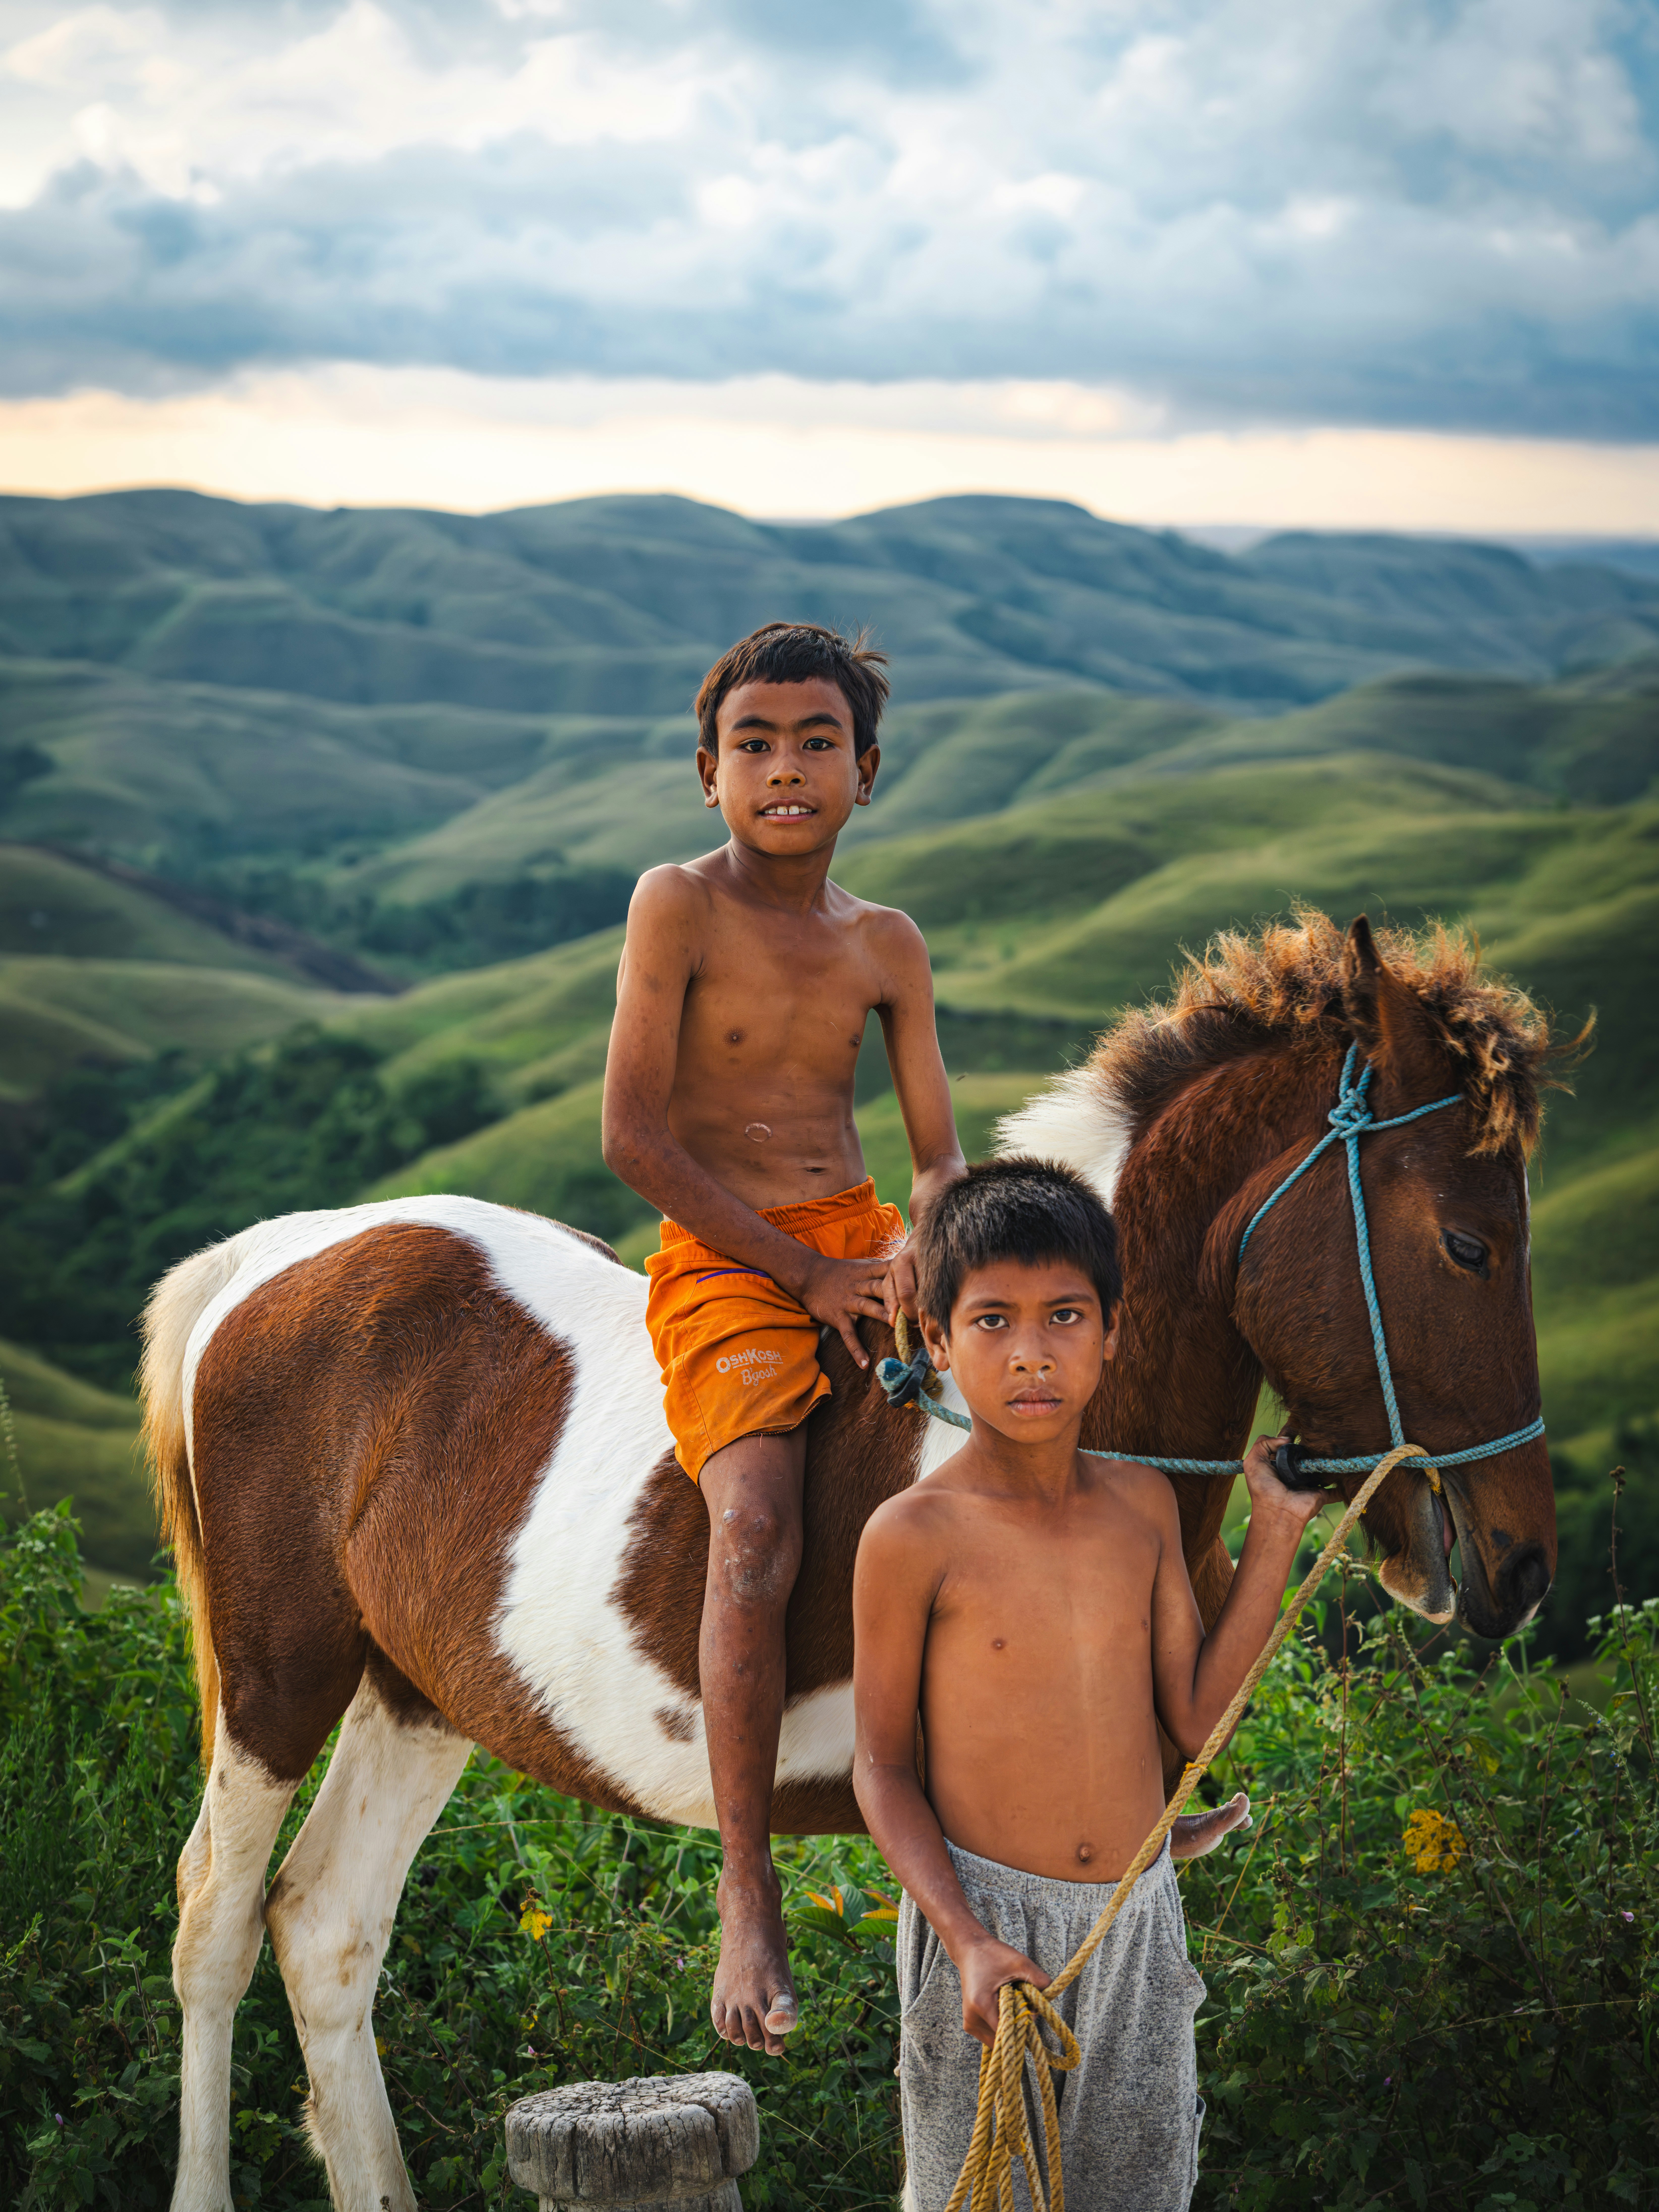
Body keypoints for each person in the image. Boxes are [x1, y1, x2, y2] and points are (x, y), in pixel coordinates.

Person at [602, 621, 969, 2057]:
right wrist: (802, 1276)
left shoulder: (885, 943)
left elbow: (935, 1156)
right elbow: (633, 1139)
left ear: (867, 772)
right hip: (729, 1256)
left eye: (818, 742)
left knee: (1033, 1418)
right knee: (755, 1527)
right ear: (708, 774)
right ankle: (746, 1884)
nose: (785, 768)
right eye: (753, 744)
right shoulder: (677, 906)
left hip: (860, 1240)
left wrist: (919, 1245)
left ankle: (1102, 1771)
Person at [851, 1160, 1336, 2211]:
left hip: (1134, 1921)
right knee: (979, 2191)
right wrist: (967, 1941)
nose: (1031, 1353)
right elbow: (881, 1768)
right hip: (983, 1929)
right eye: (991, 1321)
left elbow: (1196, 1720)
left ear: (1112, 1331)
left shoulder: (1142, 1506)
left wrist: (1275, 1531)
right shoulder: (911, 1536)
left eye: (1064, 1316)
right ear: (937, 1339)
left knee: (1139, 2191)